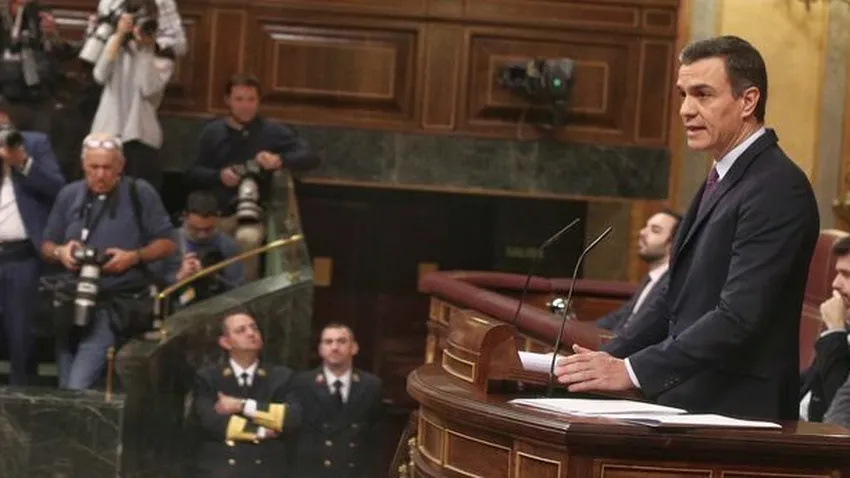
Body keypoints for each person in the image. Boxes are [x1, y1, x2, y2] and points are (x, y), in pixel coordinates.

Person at [554, 35, 820, 421]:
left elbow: (739, 317)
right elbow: (673, 297)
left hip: (739, 414)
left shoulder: (777, 187)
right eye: (683, 95)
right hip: (692, 401)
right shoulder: (724, 175)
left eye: (702, 95)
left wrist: (632, 372)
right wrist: (604, 361)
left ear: (748, 101)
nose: (686, 110)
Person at [41, 132, 176, 389]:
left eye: (107, 167)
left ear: (120, 166)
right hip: (69, 300)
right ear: (84, 165)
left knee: (77, 383)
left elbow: (168, 243)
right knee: (65, 385)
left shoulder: (140, 193)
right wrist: (61, 252)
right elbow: (47, 244)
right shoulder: (69, 195)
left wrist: (134, 256)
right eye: (94, 167)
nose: (100, 175)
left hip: (112, 301)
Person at [185, 73, 320, 280]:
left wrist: (279, 160)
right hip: (216, 212)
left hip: (253, 214)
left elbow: (310, 157)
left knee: (247, 239)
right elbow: (192, 173)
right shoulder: (213, 132)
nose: (245, 106)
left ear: (258, 101)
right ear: (228, 100)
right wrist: (218, 176)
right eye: (239, 99)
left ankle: (244, 293)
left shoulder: (272, 131)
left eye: (251, 100)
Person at [191, 312, 301, 478]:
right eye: (241, 330)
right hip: (223, 469)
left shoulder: (281, 376)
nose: (251, 333)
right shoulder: (209, 377)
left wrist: (241, 405)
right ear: (226, 342)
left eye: (254, 328)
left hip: (267, 468)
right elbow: (210, 420)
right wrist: (260, 431)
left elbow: (292, 417)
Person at [0, 100, 63, 384]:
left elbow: (59, 188)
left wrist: (23, 163)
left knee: (20, 334)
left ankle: (21, 397)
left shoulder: (35, 144)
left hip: (21, 256)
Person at [89, 5, 175, 190]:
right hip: (108, 133)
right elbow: (100, 75)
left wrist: (145, 50)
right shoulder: (117, 45)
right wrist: (119, 36)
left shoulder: (163, 56)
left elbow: (147, 88)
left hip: (141, 137)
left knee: (140, 197)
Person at [290, 323, 383, 478]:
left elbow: (376, 439)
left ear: (354, 348)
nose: (334, 347)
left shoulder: (370, 385)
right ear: (320, 349)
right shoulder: (303, 383)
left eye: (341, 341)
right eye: (328, 342)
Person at [596, 210, 680, 335]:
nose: (642, 232)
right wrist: (579, 329)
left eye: (655, 230)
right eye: (646, 226)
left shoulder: (671, 283)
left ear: (673, 243)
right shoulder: (650, 279)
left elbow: (645, 330)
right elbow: (622, 316)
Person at [800, 236, 850, 421]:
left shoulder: (837, 331)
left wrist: (835, 332)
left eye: (847, 275)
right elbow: (807, 383)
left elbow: (840, 413)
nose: (835, 283)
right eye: (837, 273)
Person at [172, 190, 244, 306]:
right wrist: (178, 277)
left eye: (208, 229)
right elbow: (155, 287)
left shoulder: (227, 245)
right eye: (196, 229)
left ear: (218, 216)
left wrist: (210, 276)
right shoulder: (169, 243)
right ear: (185, 217)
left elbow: (238, 290)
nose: (202, 235)